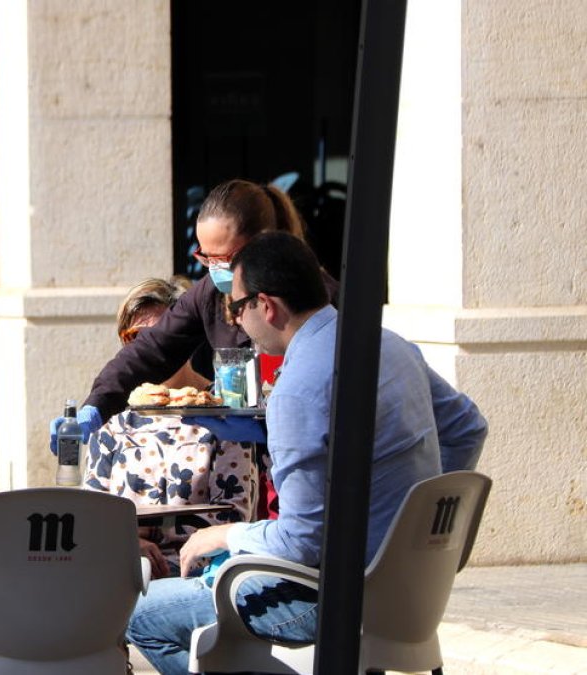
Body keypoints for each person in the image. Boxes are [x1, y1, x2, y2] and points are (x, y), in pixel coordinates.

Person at [124, 232, 488, 673]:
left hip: (330, 599)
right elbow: (468, 428)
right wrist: (414, 523)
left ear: (266, 306)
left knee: (137, 612)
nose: (235, 322)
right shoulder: (388, 344)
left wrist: (223, 536)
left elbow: (299, 541)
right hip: (414, 594)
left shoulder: (297, 389)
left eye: (236, 308)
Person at [54, 178, 334, 443]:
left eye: (224, 258)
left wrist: (269, 430)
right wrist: (95, 406)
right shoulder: (209, 293)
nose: (215, 268)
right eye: (206, 257)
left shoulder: (320, 298)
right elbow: (151, 349)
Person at [83, 278, 257, 578]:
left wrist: (157, 548)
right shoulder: (113, 421)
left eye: (161, 335)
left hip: (198, 574)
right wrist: (128, 544)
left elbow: (234, 515)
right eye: (135, 337)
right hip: (123, 570)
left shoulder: (221, 413)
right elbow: (91, 516)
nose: (150, 348)